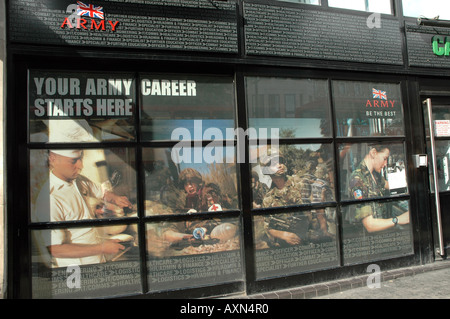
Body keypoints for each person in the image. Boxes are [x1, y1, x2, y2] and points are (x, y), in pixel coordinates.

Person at [32, 149, 133, 267]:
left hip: (97, 259)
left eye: (81, 158)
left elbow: (101, 192)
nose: (81, 165)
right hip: (76, 268)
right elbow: (55, 249)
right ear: (53, 159)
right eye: (73, 161)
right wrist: (102, 248)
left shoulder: (78, 180)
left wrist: (115, 198)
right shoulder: (49, 198)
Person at [348, 144, 410, 233]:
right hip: (371, 241)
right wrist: (398, 219)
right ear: (373, 153)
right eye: (384, 158)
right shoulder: (358, 179)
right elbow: (370, 225)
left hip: (383, 234)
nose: (385, 164)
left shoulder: (375, 175)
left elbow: (391, 185)